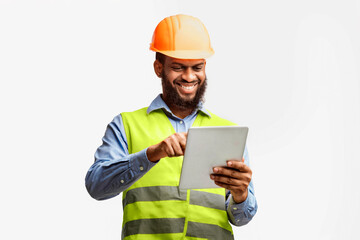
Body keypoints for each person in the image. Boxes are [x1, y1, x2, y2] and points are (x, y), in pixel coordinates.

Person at [85, 14, 257, 240]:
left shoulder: (227, 131)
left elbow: (242, 218)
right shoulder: (126, 125)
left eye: (197, 67)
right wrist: (151, 154)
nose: (189, 77)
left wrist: (241, 194)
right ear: (158, 68)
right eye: (178, 67)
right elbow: (96, 187)